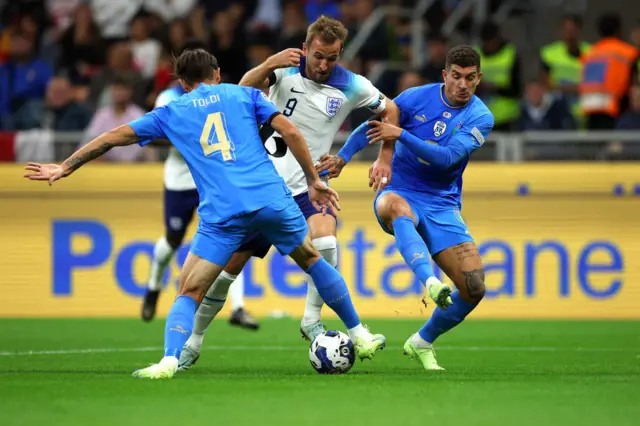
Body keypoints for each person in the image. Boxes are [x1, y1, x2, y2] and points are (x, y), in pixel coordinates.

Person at [24, 48, 386, 380]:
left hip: (224, 213)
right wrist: (312, 179)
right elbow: (289, 130)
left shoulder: (171, 111)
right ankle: (359, 333)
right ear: (216, 73)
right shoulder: (243, 94)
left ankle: (170, 359)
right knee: (314, 261)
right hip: (271, 199)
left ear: (182, 83)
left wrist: (66, 167)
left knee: (190, 288)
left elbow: (113, 136)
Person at [177, 15, 398, 370]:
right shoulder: (284, 71)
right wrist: (267, 63)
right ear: (306, 48)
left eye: (332, 57)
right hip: (260, 189)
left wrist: (376, 156)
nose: (324, 64)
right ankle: (193, 341)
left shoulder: (352, 85)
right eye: (318, 56)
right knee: (224, 274)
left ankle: (313, 320)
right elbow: (239, 94)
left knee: (326, 241)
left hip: (305, 188)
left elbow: (390, 109)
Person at [319, 45, 494, 371]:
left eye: (470, 78)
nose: (462, 84)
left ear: (478, 78)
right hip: (399, 189)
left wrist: (399, 134)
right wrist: (343, 157)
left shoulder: (481, 117)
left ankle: (421, 342)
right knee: (396, 207)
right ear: (445, 75)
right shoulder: (416, 97)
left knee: (474, 288)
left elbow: (446, 158)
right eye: (456, 76)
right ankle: (430, 282)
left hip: (442, 203)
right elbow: (377, 124)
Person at [141, 38, 258, 331]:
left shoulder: (221, 97)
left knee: (235, 236)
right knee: (173, 238)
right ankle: (154, 284)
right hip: (181, 179)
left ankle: (239, 307)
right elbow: (156, 134)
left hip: (215, 179)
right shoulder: (168, 100)